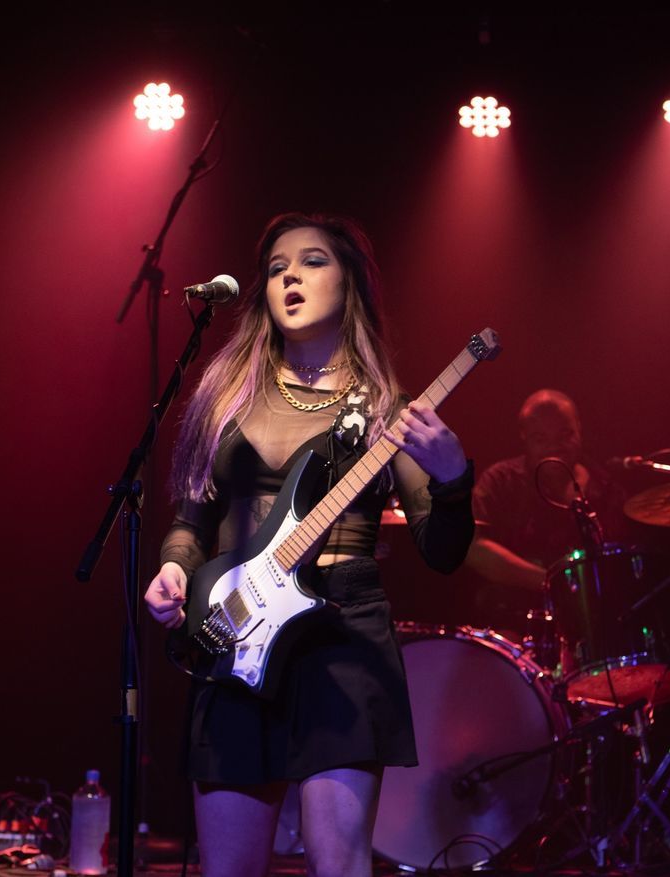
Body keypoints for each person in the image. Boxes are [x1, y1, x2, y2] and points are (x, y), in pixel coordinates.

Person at [144, 212, 474, 877]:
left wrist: (454, 479)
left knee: (339, 863)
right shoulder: (227, 398)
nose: (290, 275)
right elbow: (191, 521)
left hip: (342, 637)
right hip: (234, 633)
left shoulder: (384, 409)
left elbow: (442, 550)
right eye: (275, 268)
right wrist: (173, 568)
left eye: (313, 260)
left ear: (351, 283)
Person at [464, 389, 625, 643]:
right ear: (524, 437)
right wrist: (553, 582)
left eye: (564, 435)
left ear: (579, 430)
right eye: (540, 438)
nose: (554, 448)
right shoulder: (501, 481)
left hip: (593, 633)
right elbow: (471, 548)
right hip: (513, 630)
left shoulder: (604, 488)